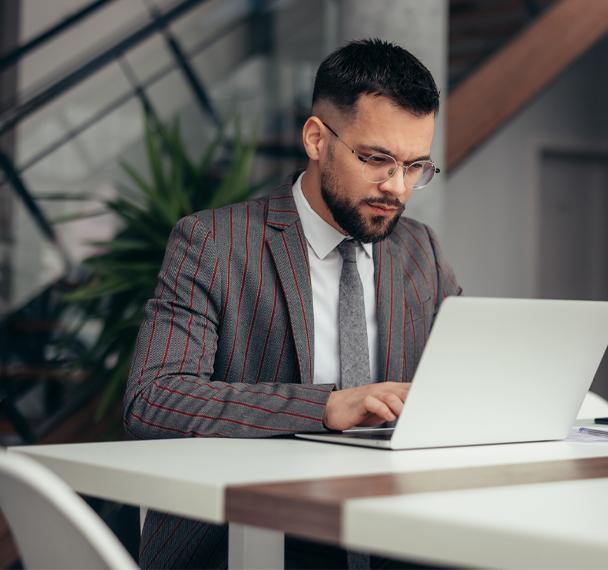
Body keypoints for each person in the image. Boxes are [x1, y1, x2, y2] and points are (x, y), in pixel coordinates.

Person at [124, 38, 461, 569]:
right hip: (253, 538)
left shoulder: (422, 250)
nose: (396, 187)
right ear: (315, 138)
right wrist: (324, 407)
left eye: (415, 165)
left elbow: (461, 382)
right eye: (377, 159)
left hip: (397, 534)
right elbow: (154, 397)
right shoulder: (213, 242)